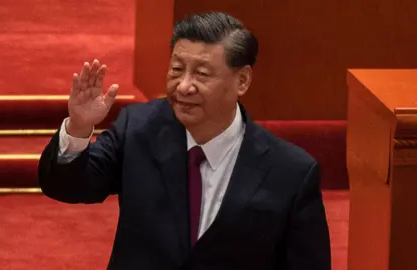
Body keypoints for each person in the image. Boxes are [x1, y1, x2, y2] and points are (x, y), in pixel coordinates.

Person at [38, 11, 331, 270]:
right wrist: (78, 127)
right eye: (177, 69)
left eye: (202, 74)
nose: (184, 86)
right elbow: (68, 185)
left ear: (242, 81)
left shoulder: (291, 172)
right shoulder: (138, 129)